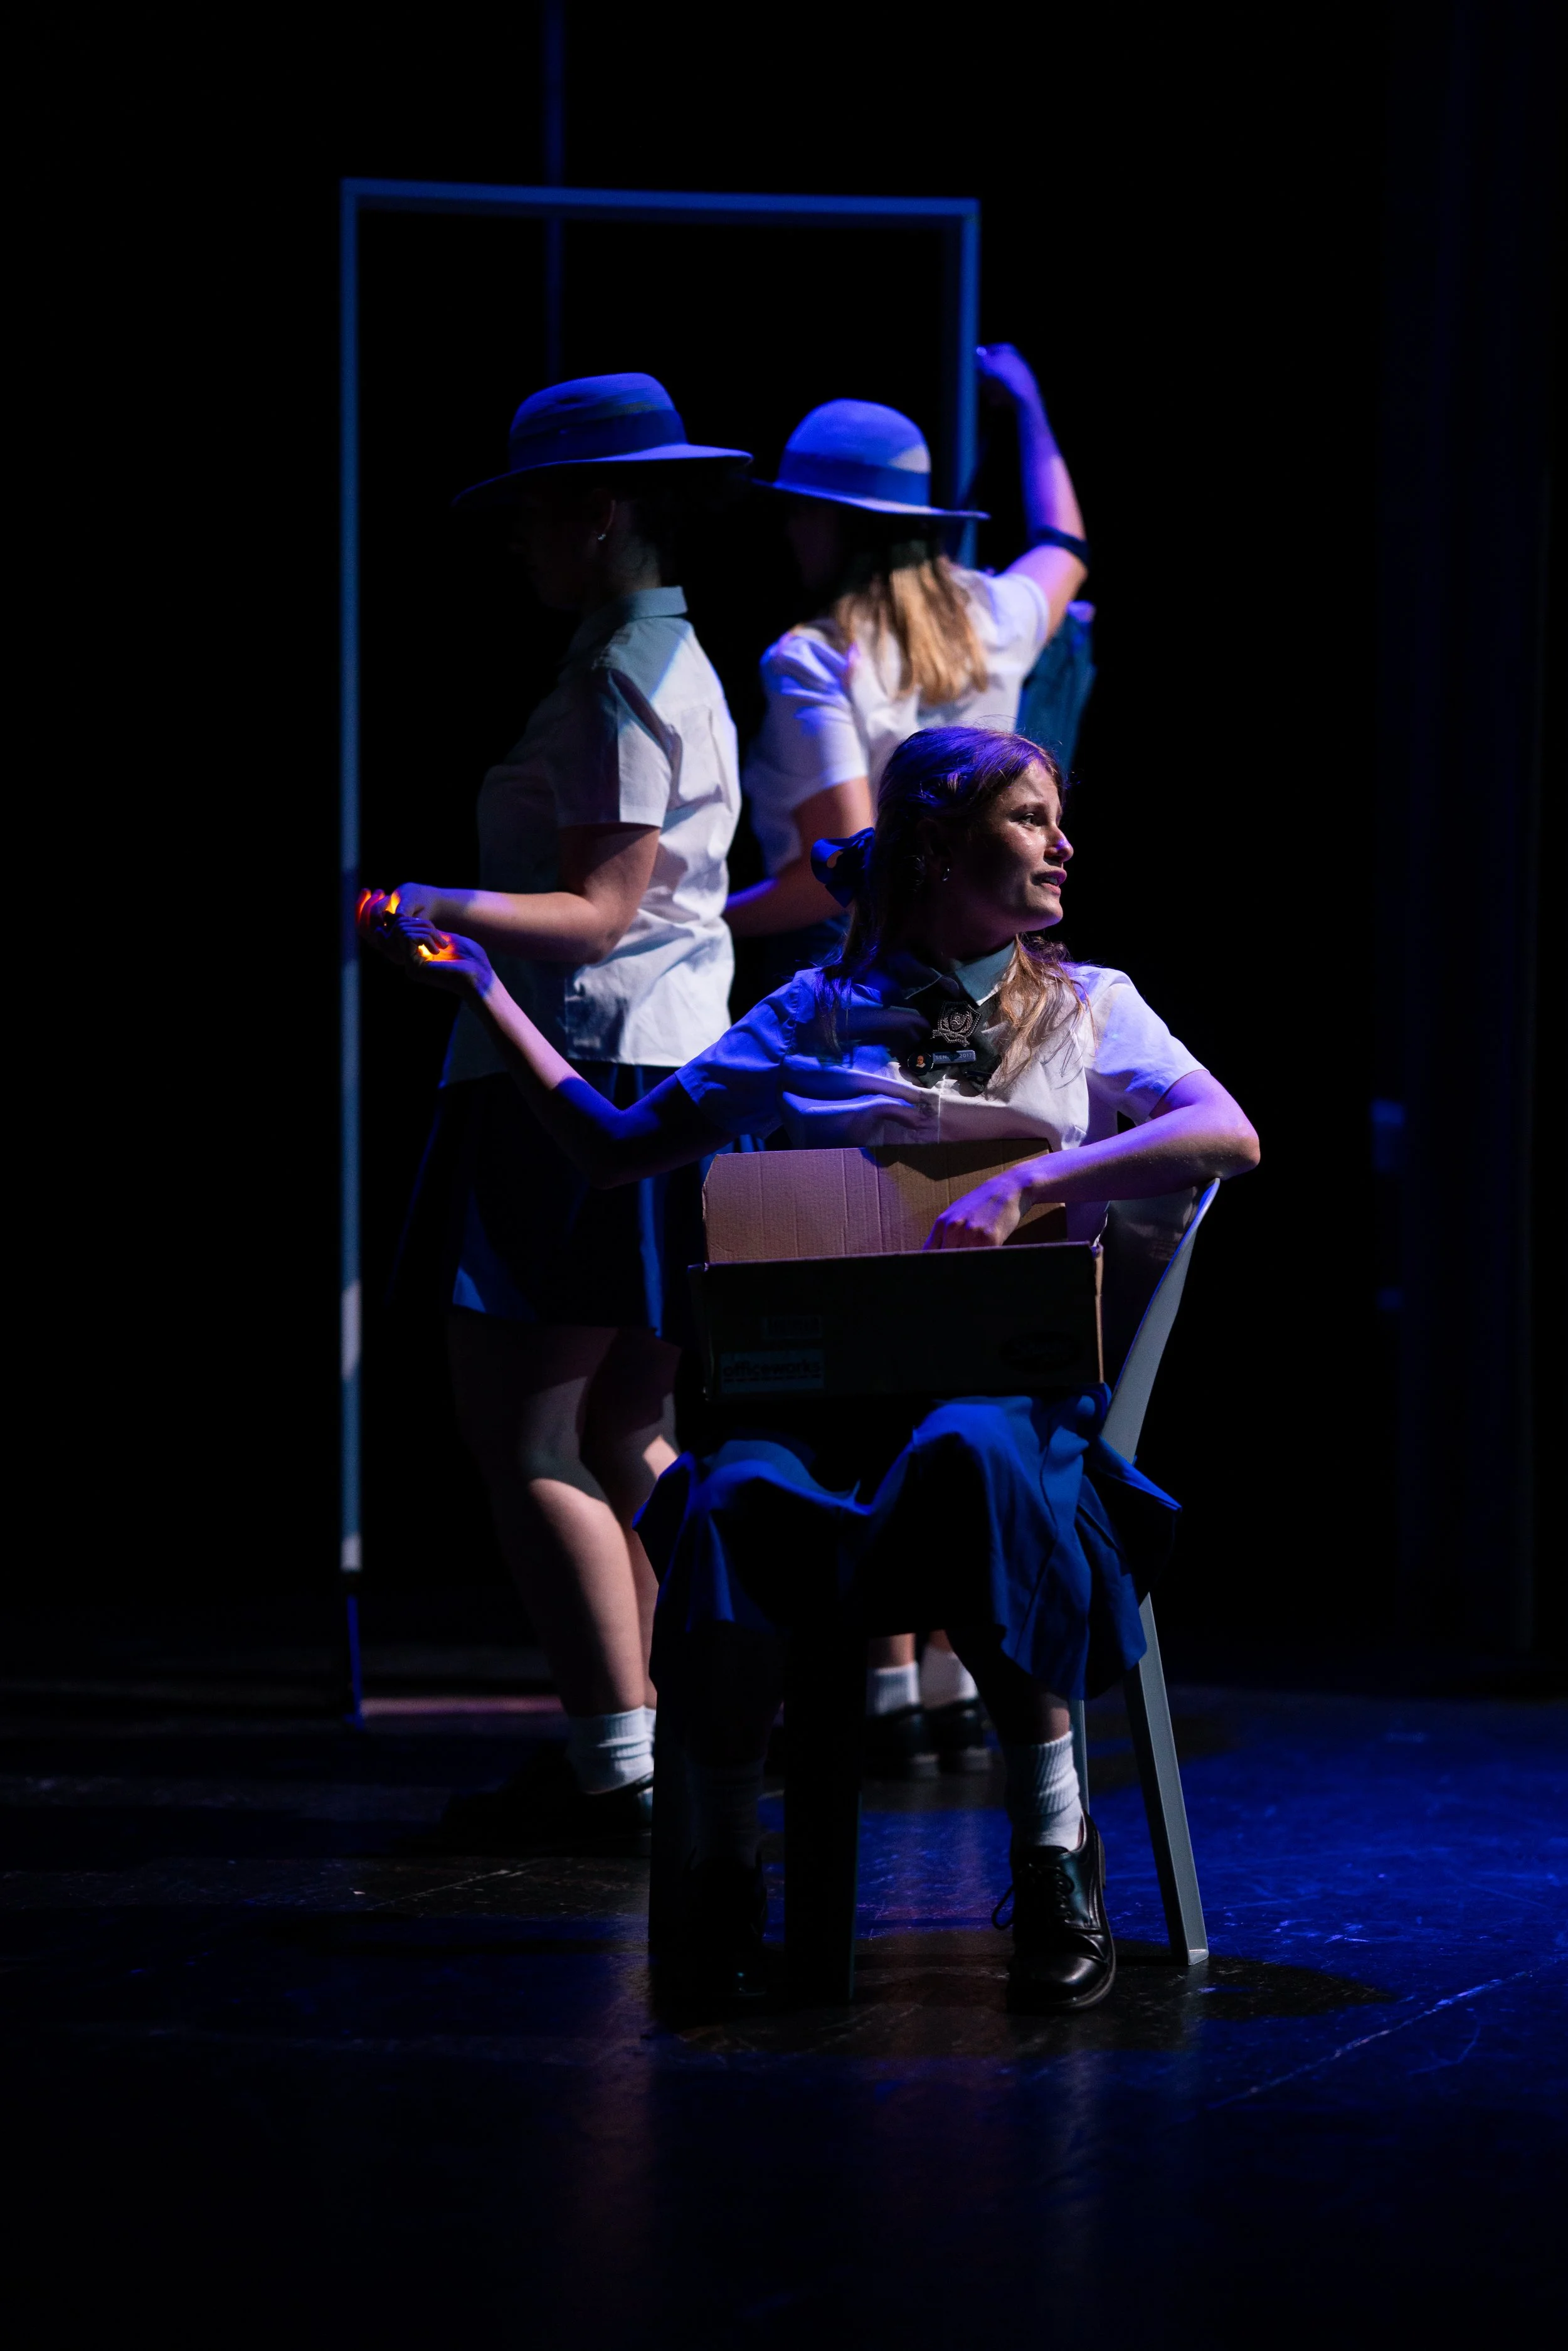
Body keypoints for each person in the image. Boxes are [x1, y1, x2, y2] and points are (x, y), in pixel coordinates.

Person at [371, 724, 1259, 2015]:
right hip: (825, 1405)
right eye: (1027, 819)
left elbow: (1223, 1132)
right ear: (936, 847)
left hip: (1005, 1398)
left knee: (971, 1453)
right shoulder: (813, 1011)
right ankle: (724, 1865)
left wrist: (1032, 1181)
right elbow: (617, 1148)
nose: (1061, 845)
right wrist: (489, 993)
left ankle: (1054, 1850)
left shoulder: (1088, 1004)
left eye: (1055, 818)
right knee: (730, 1501)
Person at [361, 372, 750, 1855]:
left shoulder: (623, 675)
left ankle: (623, 1768)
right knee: (618, 1421)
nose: (518, 543)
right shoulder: (656, 659)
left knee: (527, 1431)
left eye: (533, 512)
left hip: (580, 1073)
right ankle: (648, 1742)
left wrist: (423, 905)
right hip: (654, 1070)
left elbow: (596, 914)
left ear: (597, 513)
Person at [724, 346, 1092, 1775]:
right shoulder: (995, 620)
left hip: (858, 1012)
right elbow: (1062, 539)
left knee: (845, 1330)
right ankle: (952, 1665)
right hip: (989, 1001)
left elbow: (838, 871)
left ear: (827, 524)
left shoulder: (813, 657)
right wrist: (1026, 404)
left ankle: (877, 1673)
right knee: (956, 1314)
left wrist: (701, 921)